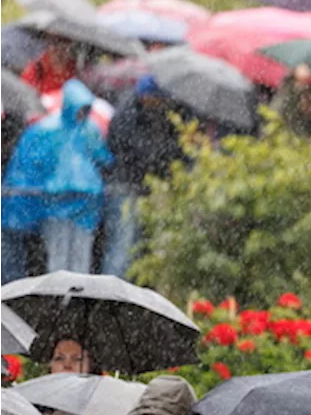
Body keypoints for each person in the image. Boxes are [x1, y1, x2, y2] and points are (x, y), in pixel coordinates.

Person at [2, 78, 113, 279]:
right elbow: (29, 167)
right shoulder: (47, 131)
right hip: (57, 206)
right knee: (59, 255)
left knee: (79, 257)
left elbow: (103, 159)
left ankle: (75, 298)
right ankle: (60, 298)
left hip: (83, 206)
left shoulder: (89, 130)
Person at [102, 75, 182, 278]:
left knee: (133, 248)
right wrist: (160, 155)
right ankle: (109, 297)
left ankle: (121, 298)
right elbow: (134, 151)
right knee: (122, 246)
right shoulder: (128, 116)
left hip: (139, 188)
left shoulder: (153, 115)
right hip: (125, 186)